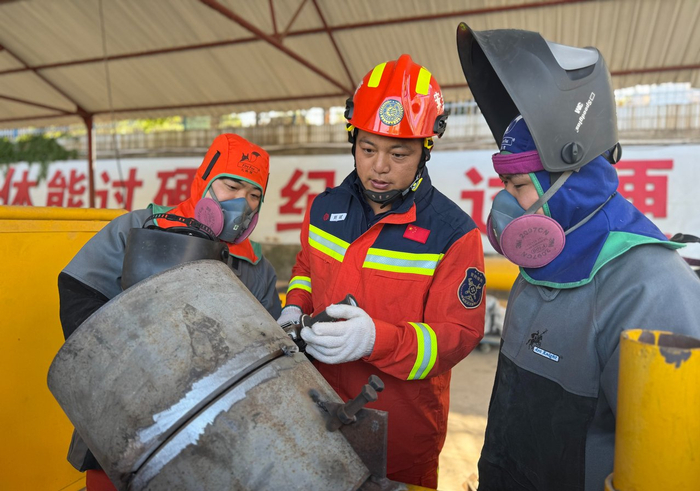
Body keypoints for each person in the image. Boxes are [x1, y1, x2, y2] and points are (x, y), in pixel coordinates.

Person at [457, 24, 700, 491]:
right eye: (505, 185)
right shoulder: (541, 265)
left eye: (518, 186)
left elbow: (676, 462)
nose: (505, 204)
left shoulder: (654, 290)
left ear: (572, 181)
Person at [277, 54, 486, 488]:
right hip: (317, 413)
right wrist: (294, 306)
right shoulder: (323, 208)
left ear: (425, 151)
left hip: (401, 435)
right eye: (368, 149)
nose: (379, 166)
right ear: (352, 140)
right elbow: (306, 269)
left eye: (399, 153)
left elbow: (458, 334)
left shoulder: (453, 233)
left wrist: (378, 339)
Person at [58, 133, 282, 491]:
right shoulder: (138, 228)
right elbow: (80, 291)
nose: (242, 204)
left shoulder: (257, 268)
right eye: (231, 186)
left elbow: (268, 351)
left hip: (214, 434)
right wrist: (122, 374)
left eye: (254, 195)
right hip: (121, 420)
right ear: (203, 180)